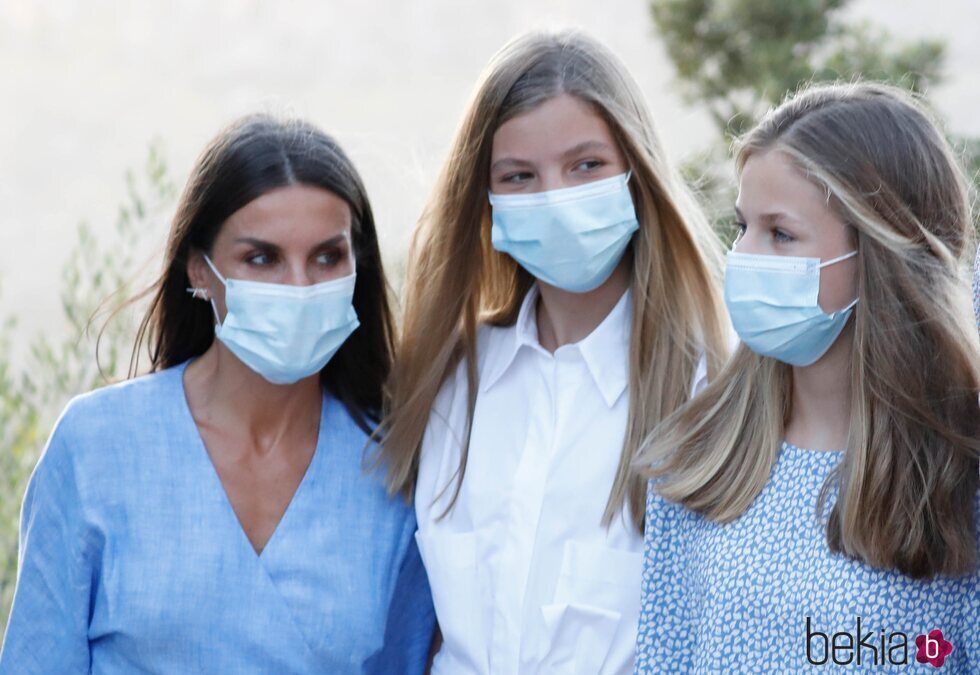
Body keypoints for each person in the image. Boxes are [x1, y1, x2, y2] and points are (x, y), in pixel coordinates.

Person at [0, 115, 435, 673]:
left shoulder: (394, 468)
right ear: (199, 271)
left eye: (327, 257)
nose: (300, 287)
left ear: (358, 267)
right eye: (262, 258)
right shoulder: (95, 449)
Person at [380, 30, 731, 674]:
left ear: (636, 172)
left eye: (586, 166)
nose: (556, 198)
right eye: (519, 176)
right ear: (484, 201)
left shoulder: (710, 389)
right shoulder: (448, 384)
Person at [634, 82, 980, 672]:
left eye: (781, 233)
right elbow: (664, 656)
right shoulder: (700, 453)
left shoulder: (956, 478)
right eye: (743, 227)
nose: (744, 256)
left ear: (878, 254)